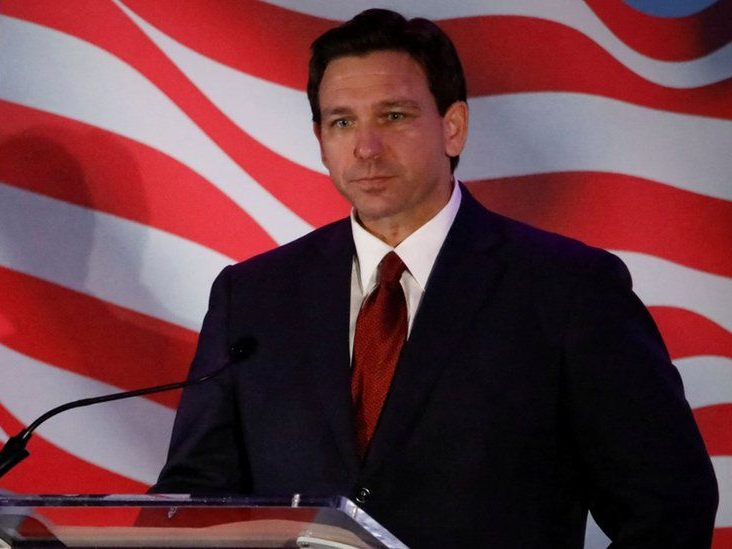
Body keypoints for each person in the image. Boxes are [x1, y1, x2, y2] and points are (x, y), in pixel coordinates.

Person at [151, 9, 718, 547]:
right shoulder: (253, 297)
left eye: (393, 116)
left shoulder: (568, 290)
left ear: (453, 128)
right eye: (342, 121)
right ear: (321, 142)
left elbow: (669, 507)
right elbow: (193, 503)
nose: (366, 147)